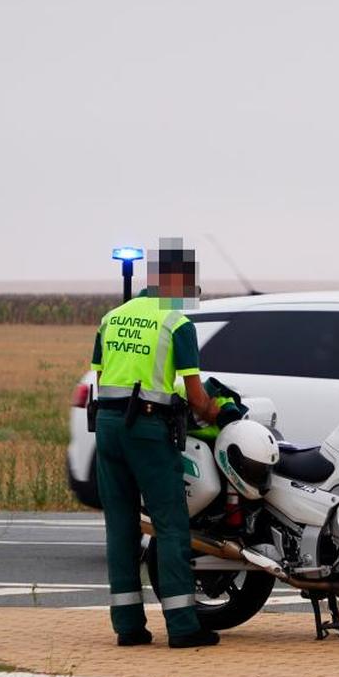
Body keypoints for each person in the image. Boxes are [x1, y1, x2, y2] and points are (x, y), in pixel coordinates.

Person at [89, 240, 230, 648]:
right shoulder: (176, 324)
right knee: (170, 525)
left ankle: (128, 627)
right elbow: (197, 397)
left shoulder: (111, 318)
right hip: (148, 433)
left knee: (121, 525)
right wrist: (218, 413)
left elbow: (102, 382)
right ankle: (184, 626)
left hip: (109, 429)